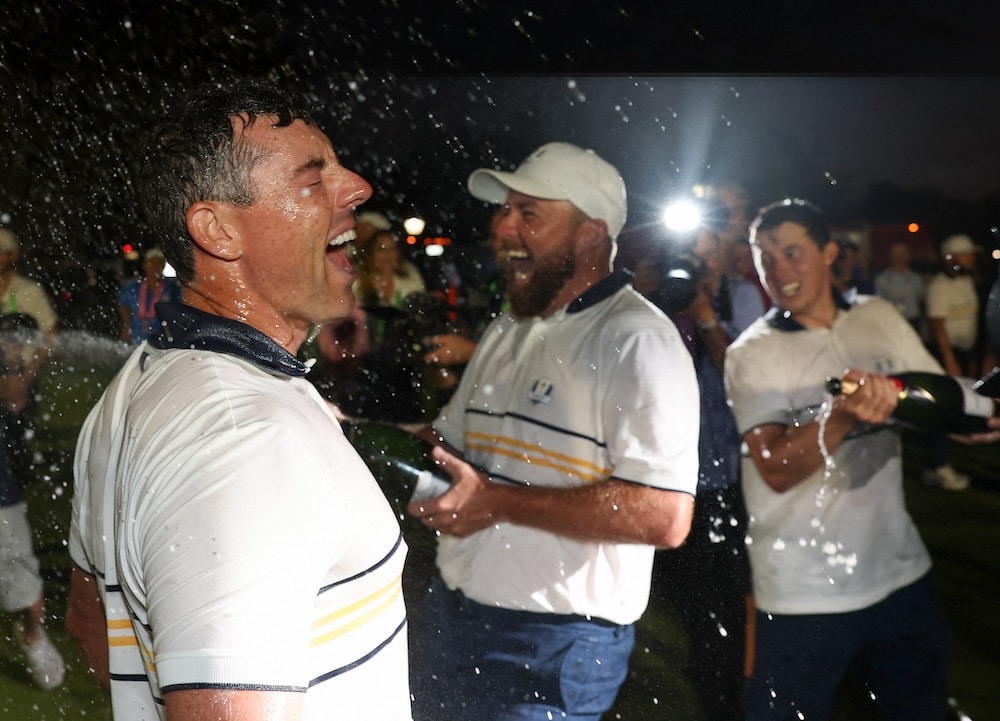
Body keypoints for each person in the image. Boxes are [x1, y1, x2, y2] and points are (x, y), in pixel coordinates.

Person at [65, 81, 412, 720]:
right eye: (315, 179)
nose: (357, 186)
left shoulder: (134, 386)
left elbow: (91, 624)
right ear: (218, 229)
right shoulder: (243, 437)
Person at [405, 141, 700, 721]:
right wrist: (345, 429)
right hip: (452, 615)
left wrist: (497, 502)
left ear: (590, 235)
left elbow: (664, 515)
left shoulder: (638, 339)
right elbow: (448, 449)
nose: (502, 229)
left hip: (556, 644)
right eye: (504, 211)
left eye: (529, 215)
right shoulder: (507, 328)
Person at [724, 198, 954, 721]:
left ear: (829, 252)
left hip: (900, 574)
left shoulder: (878, 314)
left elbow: (938, 398)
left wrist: (974, 419)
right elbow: (775, 468)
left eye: (792, 252)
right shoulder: (751, 352)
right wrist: (844, 416)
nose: (779, 269)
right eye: (766, 256)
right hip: (805, 592)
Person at [640, 221, 754, 721]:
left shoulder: (741, 297)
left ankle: (729, 697)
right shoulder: (654, 300)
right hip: (669, 475)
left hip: (721, 479)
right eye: (688, 257)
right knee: (687, 606)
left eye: (705, 259)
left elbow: (747, 383)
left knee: (723, 612)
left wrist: (708, 319)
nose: (694, 269)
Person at [0, 313, 65, 690]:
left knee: (24, 589)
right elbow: (13, 397)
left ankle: (33, 635)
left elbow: (15, 401)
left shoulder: (18, 371)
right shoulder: (12, 367)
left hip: (6, 493)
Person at [923, 234, 981, 491]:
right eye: (966, 254)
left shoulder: (967, 281)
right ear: (951, 258)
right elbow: (937, 325)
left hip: (962, 354)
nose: (971, 258)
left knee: (956, 408)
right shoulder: (939, 286)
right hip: (945, 354)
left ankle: (936, 464)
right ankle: (938, 466)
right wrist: (949, 360)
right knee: (942, 410)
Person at [0, 228, 57, 476]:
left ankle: (17, 483)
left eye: (1, 252)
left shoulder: (29, 290)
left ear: (13, 256)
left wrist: (29, 374)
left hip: (21, 372)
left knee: (16, 436)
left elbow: (49, 334)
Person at [117, 247, 182, 345]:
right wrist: (127, 325)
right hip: (137, 336)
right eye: (151, 264)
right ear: (145, 265)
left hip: (163, 339)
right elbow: (123, 304)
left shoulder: (172, 288)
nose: (155, 268)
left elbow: (180, 309)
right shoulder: (133, 286)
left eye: (158, 264)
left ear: (163, 266)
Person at [874, 241, 926, 335]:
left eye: (902, 253)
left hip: (913, 321)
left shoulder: (915, 278)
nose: (899, 257)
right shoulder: (882, 279)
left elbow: (920, 297)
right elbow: (879, 301)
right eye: (896, 254)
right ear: (890, 256)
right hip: (891, 321)